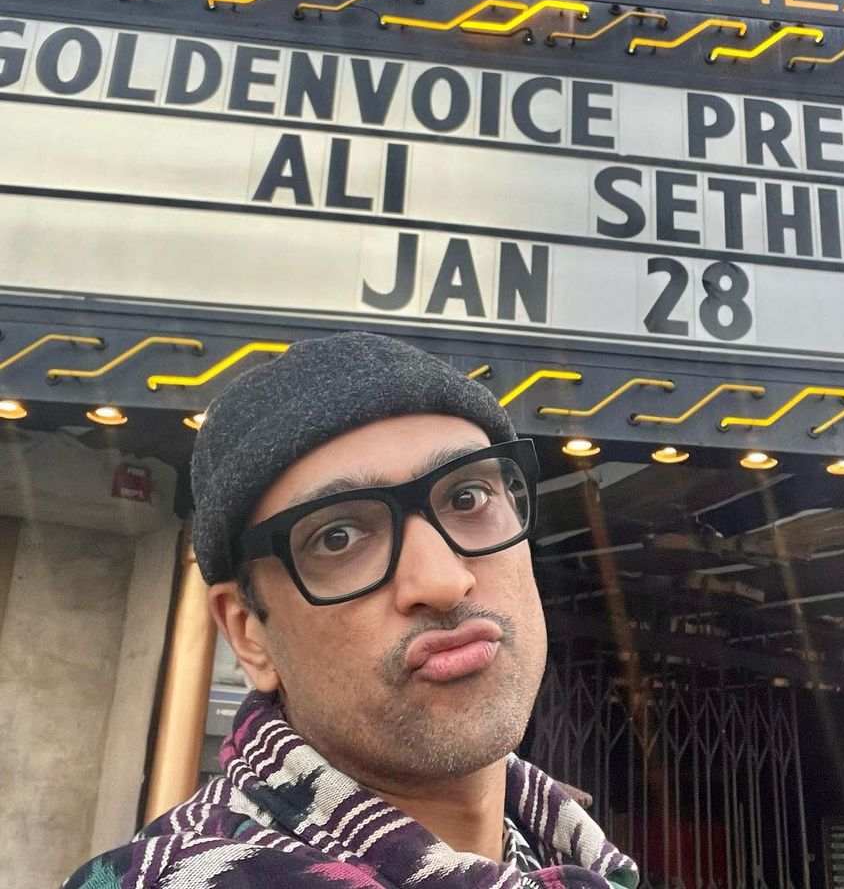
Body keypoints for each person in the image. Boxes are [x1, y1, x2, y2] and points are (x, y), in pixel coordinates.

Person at [65, 332, 639, 889]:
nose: (441, 582)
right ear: (249, 634)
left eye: (469, 498)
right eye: (338, 537)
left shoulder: (565, 851)